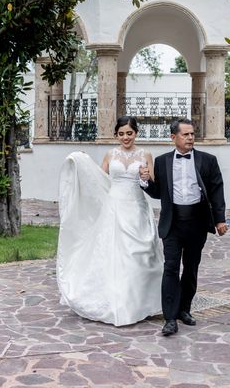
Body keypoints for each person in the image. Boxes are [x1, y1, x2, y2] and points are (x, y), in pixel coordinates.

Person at [57, 116, 163, 326]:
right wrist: (83, 161)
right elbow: (100, 178)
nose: (125, 137)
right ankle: (115, 299)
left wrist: (145, 176)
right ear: (116, 135)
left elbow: (152, 182)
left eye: (129, 133)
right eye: (121, 134)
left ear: (136, 133)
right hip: (114, 208)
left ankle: (142, 302)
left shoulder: (146, 154)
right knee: (113, 253)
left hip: (137, 208)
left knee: (138, 252)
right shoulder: (109, 154)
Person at [139, 118, 228, 336]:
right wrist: (144, 182)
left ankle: (184, 310)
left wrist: (220, 219)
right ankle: (170, 318)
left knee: (191, 267)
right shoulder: (161, 162)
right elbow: (158, 193)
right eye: (185, 134)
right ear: (173, 137)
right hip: (173, 222)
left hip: (197, 222)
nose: (190, 138)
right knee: (170, 268)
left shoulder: (208, 160)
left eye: (192, 134)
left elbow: (216, 190)